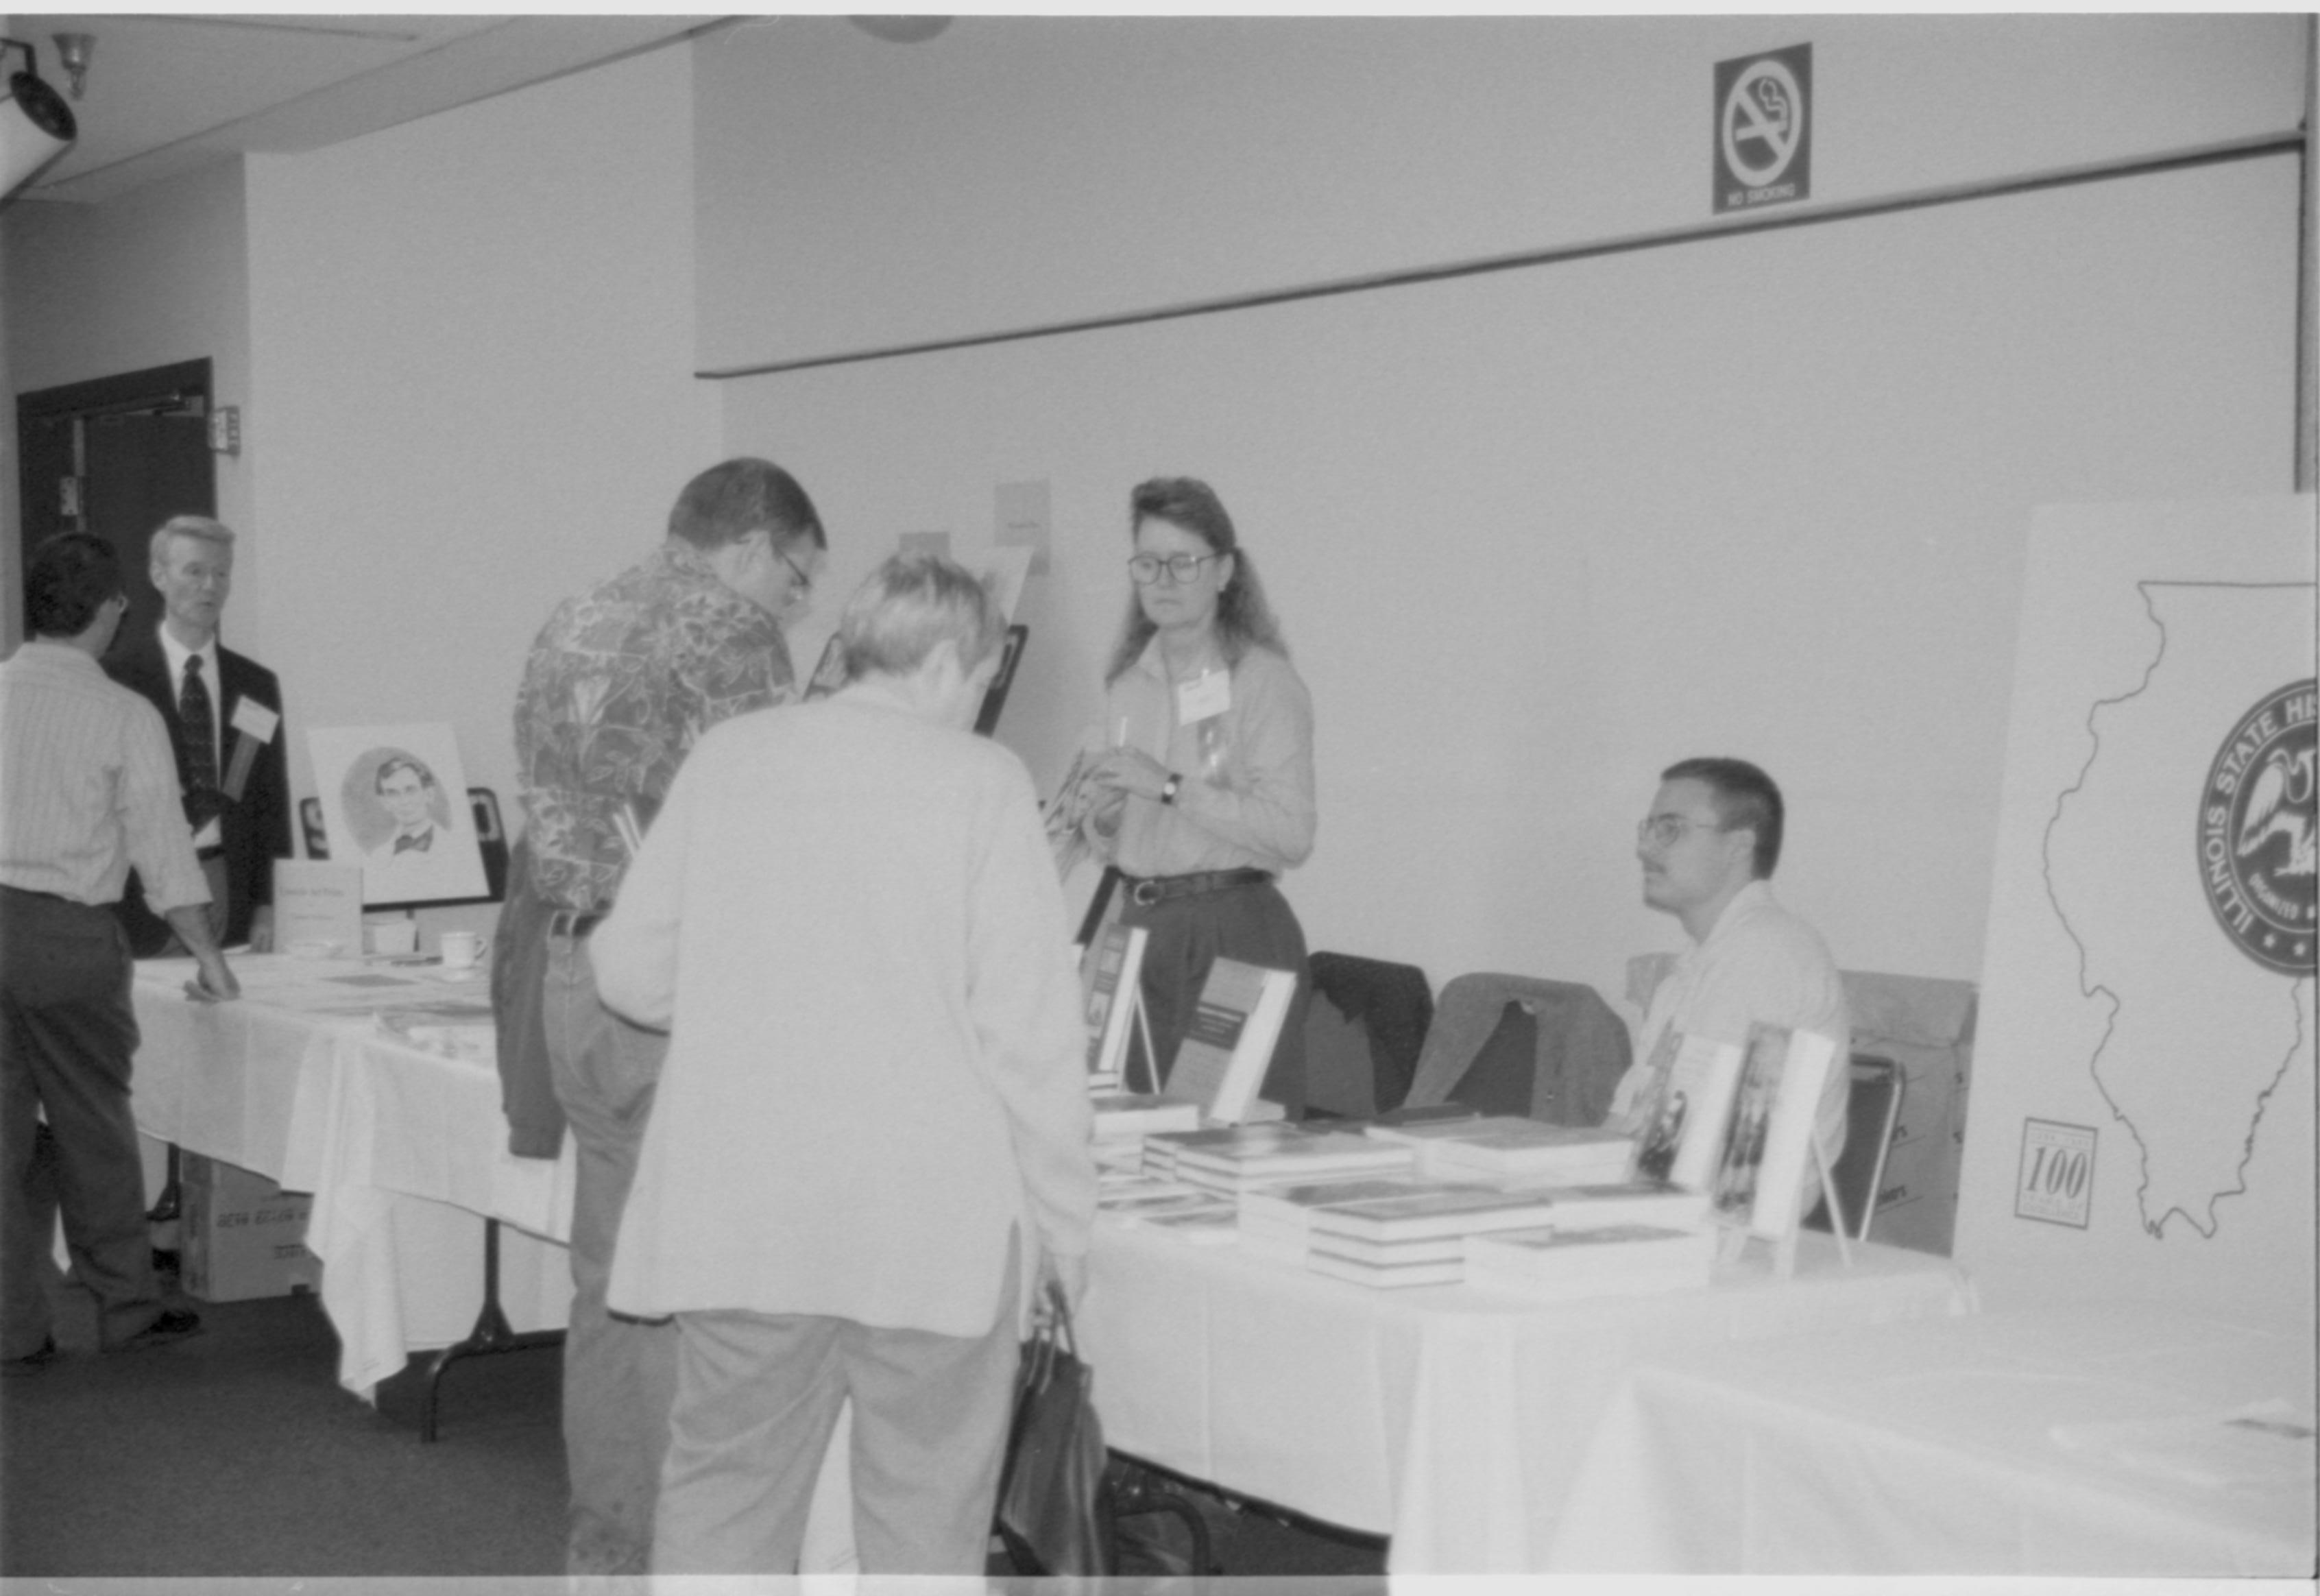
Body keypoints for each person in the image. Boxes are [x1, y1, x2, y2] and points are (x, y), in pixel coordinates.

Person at [589, 553, 1097, 1574]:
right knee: (923, 1515)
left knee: (723, 1494)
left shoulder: (732, 755)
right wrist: (1065, 1232)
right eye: (985, 675)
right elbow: (1030, 1039)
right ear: (952, 662)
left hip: (747, 1214)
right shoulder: (984, 782)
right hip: (928, 1226)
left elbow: (630, 973)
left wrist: (761, 1001)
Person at [502, 456, 825, 1576]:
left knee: (611, 1286)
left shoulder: (571, 616)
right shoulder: (730, 634)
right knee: (704, 1291)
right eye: (795, 578)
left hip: (571, 970)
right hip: (677, 988)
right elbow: (775, 825)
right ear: (749, 543)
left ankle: (608, 1549)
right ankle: (675, 1558)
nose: (793, 605)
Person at [3, 533, 238, 1373]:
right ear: (109, 609)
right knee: (92, 1125)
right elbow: (163, 851)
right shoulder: (122, 714)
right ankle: (126, 1311)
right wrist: (209, 957)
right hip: (68, 939)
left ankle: (10, 1328)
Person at [1084, 476, 1317, 1114]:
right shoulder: (1126, 681)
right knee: (1133, 1137)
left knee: (1229, 1145)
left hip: (1231, 928)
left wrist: (1168, 786)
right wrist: (1098, 820)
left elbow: (1292, 834)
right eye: (1148, 563)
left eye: (1184, 563)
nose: (1164, 579)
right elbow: (1118, 827)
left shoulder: (1264, 681)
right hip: (1139, 926)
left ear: (1224, 571)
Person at [1608, 756, 1850, 1211]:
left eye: (1671, 829)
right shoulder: (1693, 966)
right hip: (1673, 1209)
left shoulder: (1766, 951)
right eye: (1649, 829)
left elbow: (1681, 1140)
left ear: (1737, 846)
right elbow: (1626, 1120)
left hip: (1726, 1231)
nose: (1646, 849)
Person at [101, 515, 291, 955]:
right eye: (195, 571)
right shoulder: (115, 679)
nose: (210, 586)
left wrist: (269, 902)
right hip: (140, 892)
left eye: (221, 573)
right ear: (158, 576)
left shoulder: (255, 684)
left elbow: (270, 800)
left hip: (230, 882)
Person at [359, 753, 474, 902]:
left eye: (410, 790)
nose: (404, 801)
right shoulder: (377, 856)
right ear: (385, 802)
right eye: (393, 794)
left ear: (429, 794)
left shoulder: (457, 850)